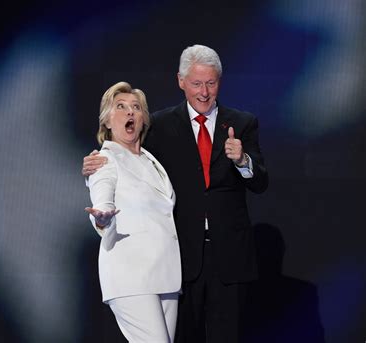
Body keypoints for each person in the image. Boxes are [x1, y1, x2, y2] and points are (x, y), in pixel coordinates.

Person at [82, 45, 268, 342]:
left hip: (228, 258)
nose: (204, 92)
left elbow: (260, 182)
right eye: (196, 83)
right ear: (181, 81)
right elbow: (119, 162)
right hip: (181, 259)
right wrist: (93, 169)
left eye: (211, 83)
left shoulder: (242, 123)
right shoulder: (160, 125)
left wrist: (242, 161)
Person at [85, 81, 182, 342]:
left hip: (165, 274)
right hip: (132, 276)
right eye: (121, 107)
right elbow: (102, 194)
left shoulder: (151, 162)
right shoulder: (104, 160)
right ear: (106, 121)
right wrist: (103, 217)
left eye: (136, 108)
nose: (130, 112)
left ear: (143, 120)